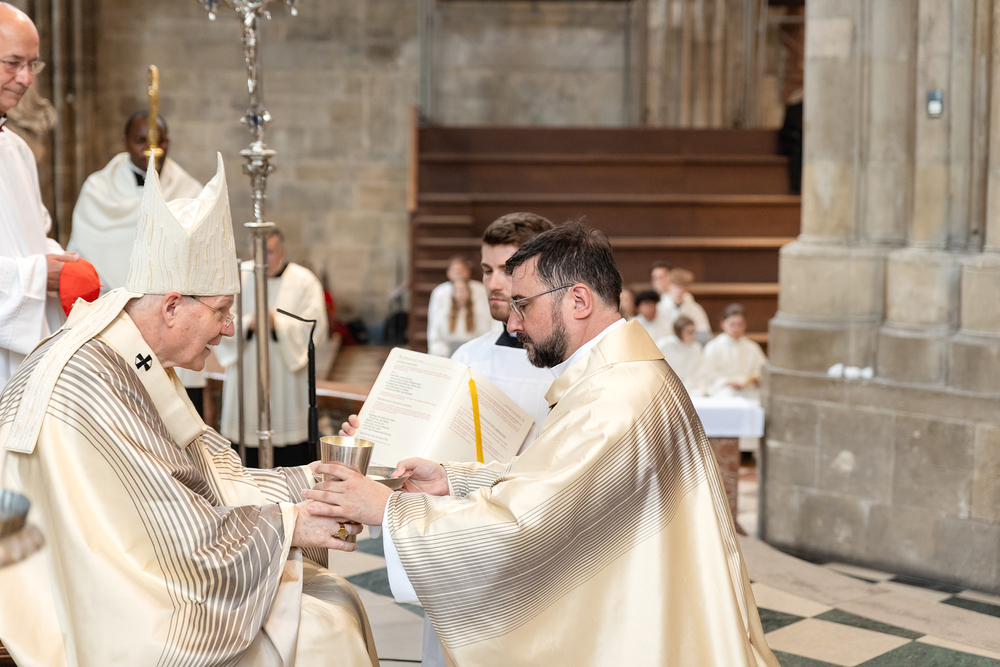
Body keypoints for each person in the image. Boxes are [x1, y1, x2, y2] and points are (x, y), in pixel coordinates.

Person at [313, 223, 778, 666]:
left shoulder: (613, 397)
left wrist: (389, 510)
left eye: (523, 304)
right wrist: (453, 480)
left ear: (578, 300)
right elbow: (556, 479)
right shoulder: (619, 376)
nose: (513, 323)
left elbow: (522, 525)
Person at [0, 154, 378, 666]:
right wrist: (290, 523)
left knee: (331, 603)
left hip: (125, 568)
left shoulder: (131, 354)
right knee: (323, 630)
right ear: (172, 305)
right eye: (221, 310)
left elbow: (202, 481)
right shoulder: (93, 378)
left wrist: (312, 481)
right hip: (99, 600)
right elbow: (172, 529)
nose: (230, 328)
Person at [344, 212, 555, 667]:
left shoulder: (562, 365)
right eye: (486, 270)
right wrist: (377, 443)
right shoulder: (468, 355)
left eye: (507, 270)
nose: (493, 283)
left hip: (525, 542)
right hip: (456, 539)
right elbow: (427, 457)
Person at [68, 110, 209, 410]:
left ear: (169, 142)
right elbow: (83, 258)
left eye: (159, 141)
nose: (150, 149)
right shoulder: (98, 190)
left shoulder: (190, 191)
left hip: (175, 322)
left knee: (178, 416)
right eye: (141, 140)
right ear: (125, 142)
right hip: (114, 321)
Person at [0, 4, 79, 389]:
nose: (26, 79)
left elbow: (31, 234)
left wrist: (60, 262)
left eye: (33, 64)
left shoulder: (17, 149)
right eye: (13, 63)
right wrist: (35, 274)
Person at [218, 228, 329, 468]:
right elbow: (218, 319)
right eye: (256, 252)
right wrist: (248, 324)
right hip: (247, 371)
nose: (262, 259)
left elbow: (315, 327)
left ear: (282, 251)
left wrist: (277, 324)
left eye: (268, 252)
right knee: (245, 457)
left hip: (287, 378)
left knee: (289, 456)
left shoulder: (304, 280)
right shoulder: (238, 276)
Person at [702, 302, 768, 399]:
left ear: (745, 325)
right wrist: (727, 382)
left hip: (748, 390)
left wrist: (757, 379)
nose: (736, 328)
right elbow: (708, 374)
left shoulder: (752, 347)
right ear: (722, 324)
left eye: (740, 325)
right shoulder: (713, 347)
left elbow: (761, 370)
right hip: (724, 389)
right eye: (732, 324)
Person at [426, 255, 491, 351]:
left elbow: (488, 321)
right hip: (447, 348)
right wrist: (437, 349)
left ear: (468, 271)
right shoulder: (440, 292)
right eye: (454, 270)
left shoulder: (481, 291)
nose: (458, 273)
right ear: (448, 272)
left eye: (461, 270)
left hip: (475, 345)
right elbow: (434, 325)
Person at [657, 315, 707, 395]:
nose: (693, 336)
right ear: (679, 332)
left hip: (691, 388)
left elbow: (699, 372)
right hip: (667, 387)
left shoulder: (696, 347)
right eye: (690, 333)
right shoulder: (665, 345)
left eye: (694, 332)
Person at [666, 267, 712, 342]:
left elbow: (704, 335)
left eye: (683, 286)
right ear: (669, 285)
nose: (680, 289)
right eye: (676, 285)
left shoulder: (695, 308)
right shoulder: (660, 308)